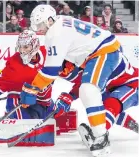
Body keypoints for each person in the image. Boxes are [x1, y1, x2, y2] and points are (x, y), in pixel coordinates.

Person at [19, 4, 138, 157]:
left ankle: (101, 137)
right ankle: (100, 132)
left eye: (41, 24)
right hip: (103, 52)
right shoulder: (62, 21)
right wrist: (68, 96)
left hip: (104, 53)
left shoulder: (54, 34)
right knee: (95, 95)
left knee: (89, 90)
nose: (39, 29)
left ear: (49, 20)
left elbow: (50, 71)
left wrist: (32, 89)